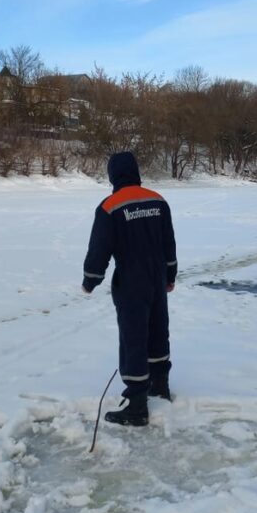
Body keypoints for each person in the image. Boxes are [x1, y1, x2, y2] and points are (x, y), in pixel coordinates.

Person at [82, 151, 177, 427]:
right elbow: (169, 244)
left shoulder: (109, 206)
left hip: (131, 281)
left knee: (133, 337)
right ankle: (160, 385)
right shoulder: (158, 201)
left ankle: (136, 405)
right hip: (157, 278)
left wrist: (91, 280)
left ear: (113, 175)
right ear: (135, 172)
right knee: (159, 329)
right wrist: (170, 275)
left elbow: (99, 250)